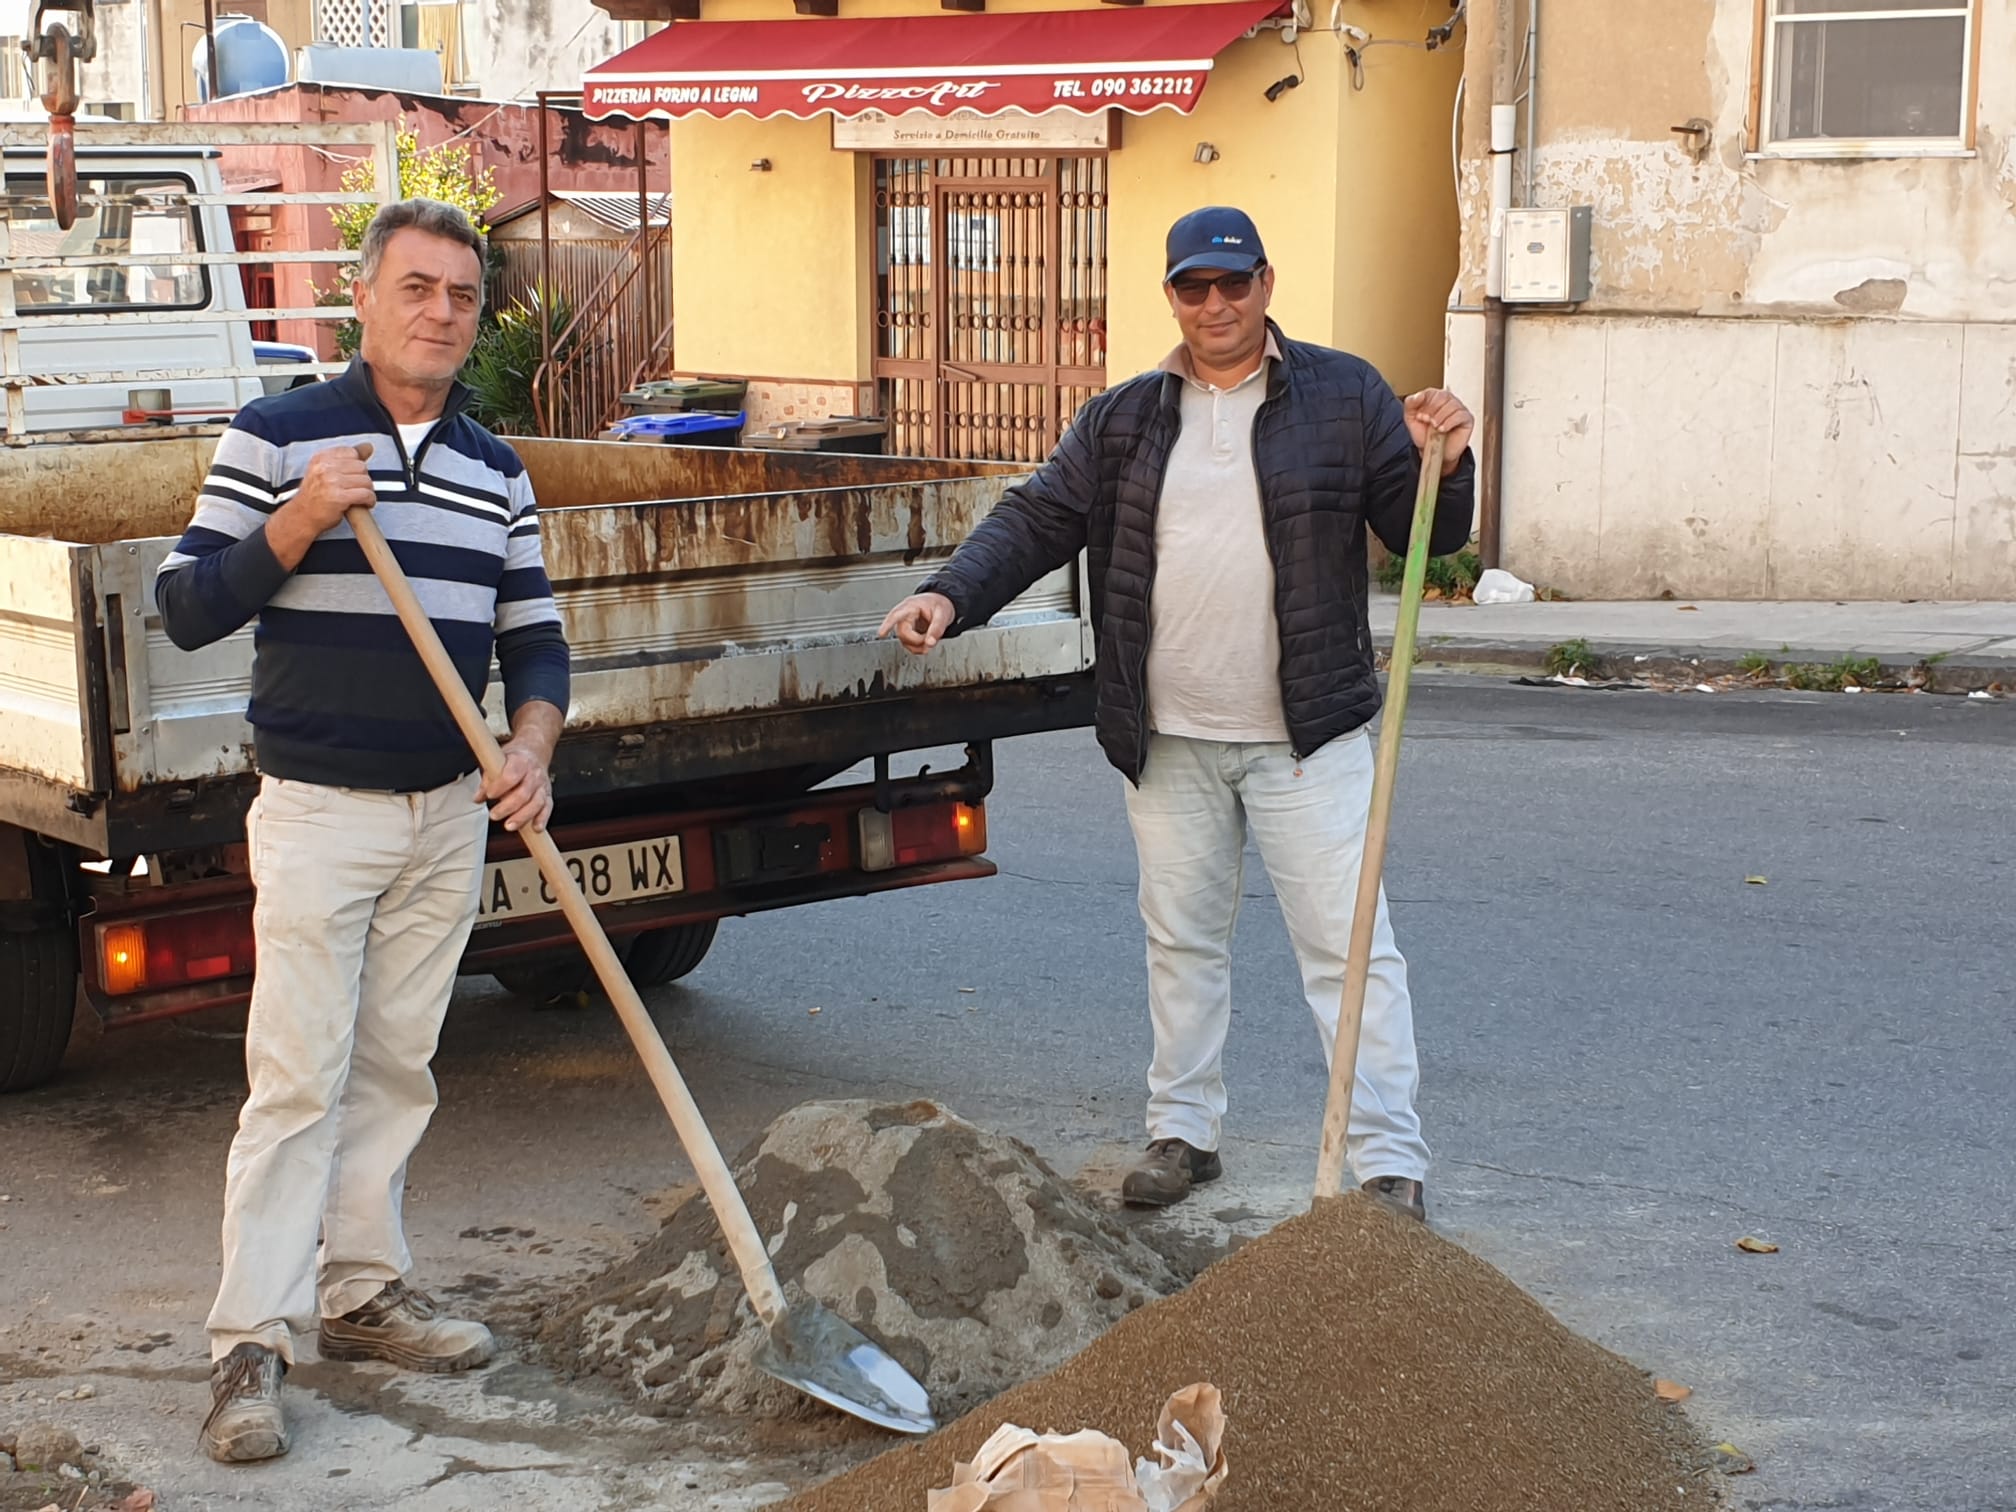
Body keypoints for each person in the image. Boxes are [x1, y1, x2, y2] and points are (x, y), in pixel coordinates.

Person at [880, 207, 1475, 1219]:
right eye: (1194, 287)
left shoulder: (1344, 395)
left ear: (1266, 286)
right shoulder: (1126, 417)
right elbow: (1036, 516)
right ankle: (1185, 1132)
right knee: (1181, 941)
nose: (1215, 304)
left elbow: (1432, 533)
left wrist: (1447, 459)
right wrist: (953, 593)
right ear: (1171, 295)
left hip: (1307, 738)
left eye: (1233, 285)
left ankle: (1388, 1162)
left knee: (1349, 947)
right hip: (1170, 738)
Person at [154, 198, 571, 1463]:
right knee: (296, 1078)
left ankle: (362, 1291)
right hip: (321, 812)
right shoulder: (279, 436)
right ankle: (249, 1345)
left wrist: (532, 749)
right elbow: (186, 607)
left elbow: (535, 638)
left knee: (398, 1067)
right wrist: (296, 521)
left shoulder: (498, 471)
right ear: (366, 299)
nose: (442, 313)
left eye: (462, 296)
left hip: (446, 814)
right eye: (418, 289)